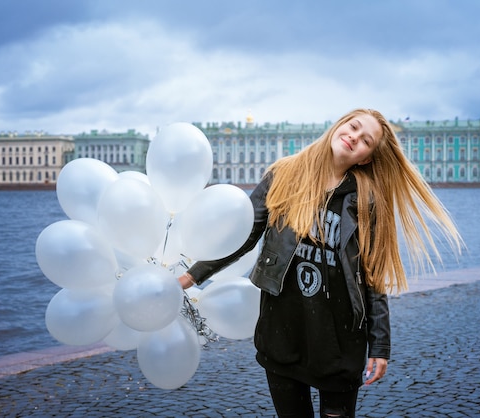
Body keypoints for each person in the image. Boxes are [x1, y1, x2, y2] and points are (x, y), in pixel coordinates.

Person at [178, 108, 463, 417]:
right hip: (282, 333)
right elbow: (241, 235)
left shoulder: (367, 200)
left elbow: (372, 275)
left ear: (366, 157)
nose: (354, 136)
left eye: (366, 140)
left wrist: (380, 345)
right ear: (339, 124)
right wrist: (191, 277)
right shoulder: (283, 175)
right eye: (353, 126)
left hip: (340, 342)